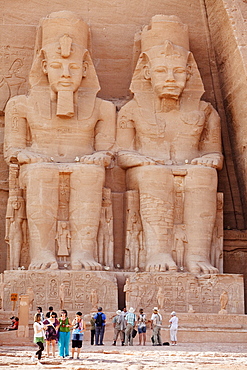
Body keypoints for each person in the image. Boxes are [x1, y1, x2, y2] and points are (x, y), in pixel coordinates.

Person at [4, 11, 115, 271]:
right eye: (56, 66)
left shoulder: (103, 108)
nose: (65, 73)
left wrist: (101, 156)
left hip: (85, 166)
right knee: (41, 172)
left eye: (73, 67)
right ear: (43, 66)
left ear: (86, 69)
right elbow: (13, 148)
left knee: (89, 174)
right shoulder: (20, 105)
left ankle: (83, 254)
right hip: (38, 166)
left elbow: (107, 150)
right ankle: (41, 253)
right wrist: (25, 155)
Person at [116, 15, 223, 274]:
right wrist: (141, 160)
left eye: (178, 72)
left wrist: (209, 159)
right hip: (146, 171)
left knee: (204, 176)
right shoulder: (132, 110)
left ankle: (197, 256)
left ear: (189, 74)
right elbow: (122, 153)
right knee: (155, 176)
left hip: (189, 168)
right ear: (147, 73)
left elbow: (215, 154)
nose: (171, 79)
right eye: (162, 71)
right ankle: (158, 252)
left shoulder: (205, 111)